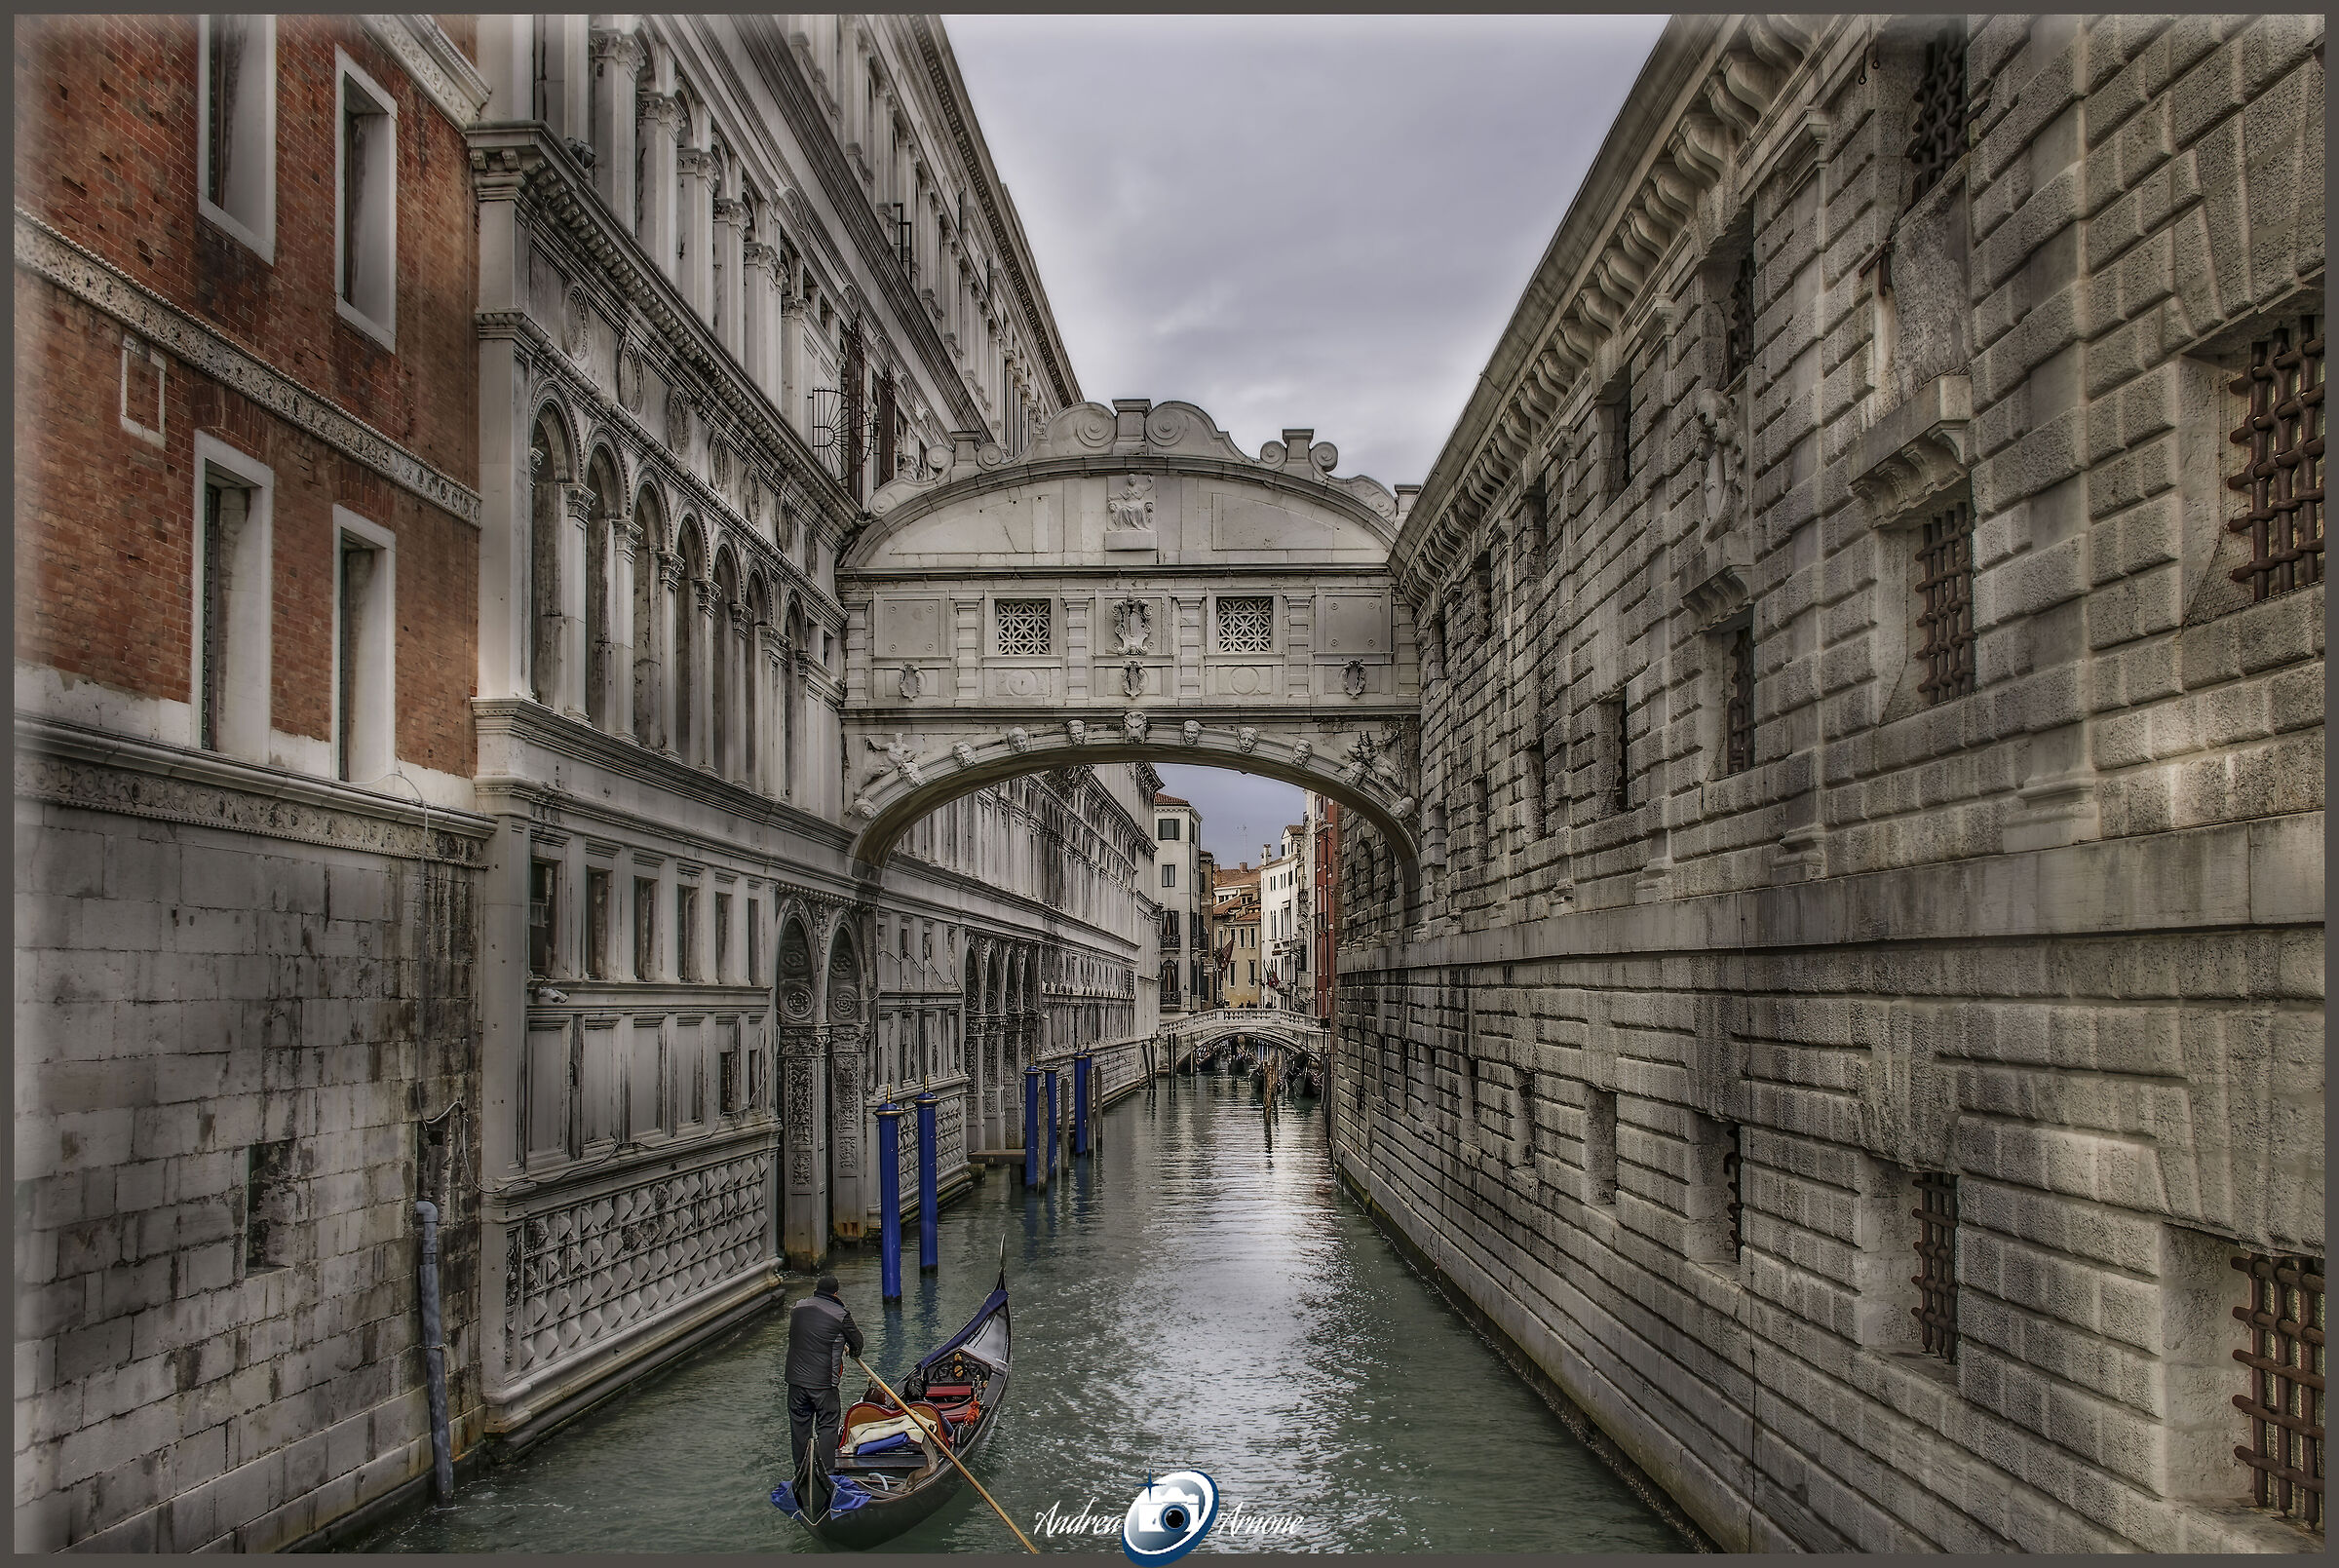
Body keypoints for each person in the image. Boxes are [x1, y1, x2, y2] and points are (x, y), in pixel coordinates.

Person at [786, 1274, 864, 1492]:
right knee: (828, 1425)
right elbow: (857, 1342)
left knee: (800, 1426)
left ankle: (801, 1472)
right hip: (823, 1384)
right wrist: (852, 1350)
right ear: (836, 1293)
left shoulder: (797, 1308)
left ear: (816, 1289)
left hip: (795, 1381)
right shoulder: (840, 1314)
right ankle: (827, 1474)